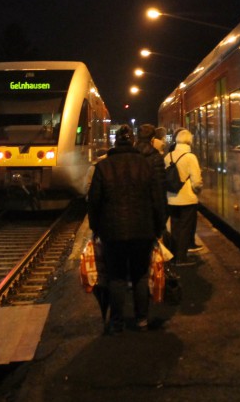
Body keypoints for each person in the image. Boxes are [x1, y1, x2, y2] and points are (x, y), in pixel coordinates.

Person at [87, 124, 165, 333]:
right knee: (140, 274)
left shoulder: (103, 167)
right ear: (132, 142)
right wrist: (159, 227)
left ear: (115, 142)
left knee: (116, 276)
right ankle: (141, 320)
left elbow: (94, 201)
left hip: (112, 232)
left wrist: (95, 228)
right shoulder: (145, 165)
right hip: (143, 230)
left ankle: (117, 322)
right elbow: (158, 199)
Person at [165, 128, 203, 266]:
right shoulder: (190, 157)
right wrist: (197, 190)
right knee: (186, 228)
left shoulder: (168, 156)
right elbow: (196, 181)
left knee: (175, 227)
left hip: (171, 198)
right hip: (187, 199)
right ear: (189, 141)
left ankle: (175, 256)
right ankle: (182, 258)